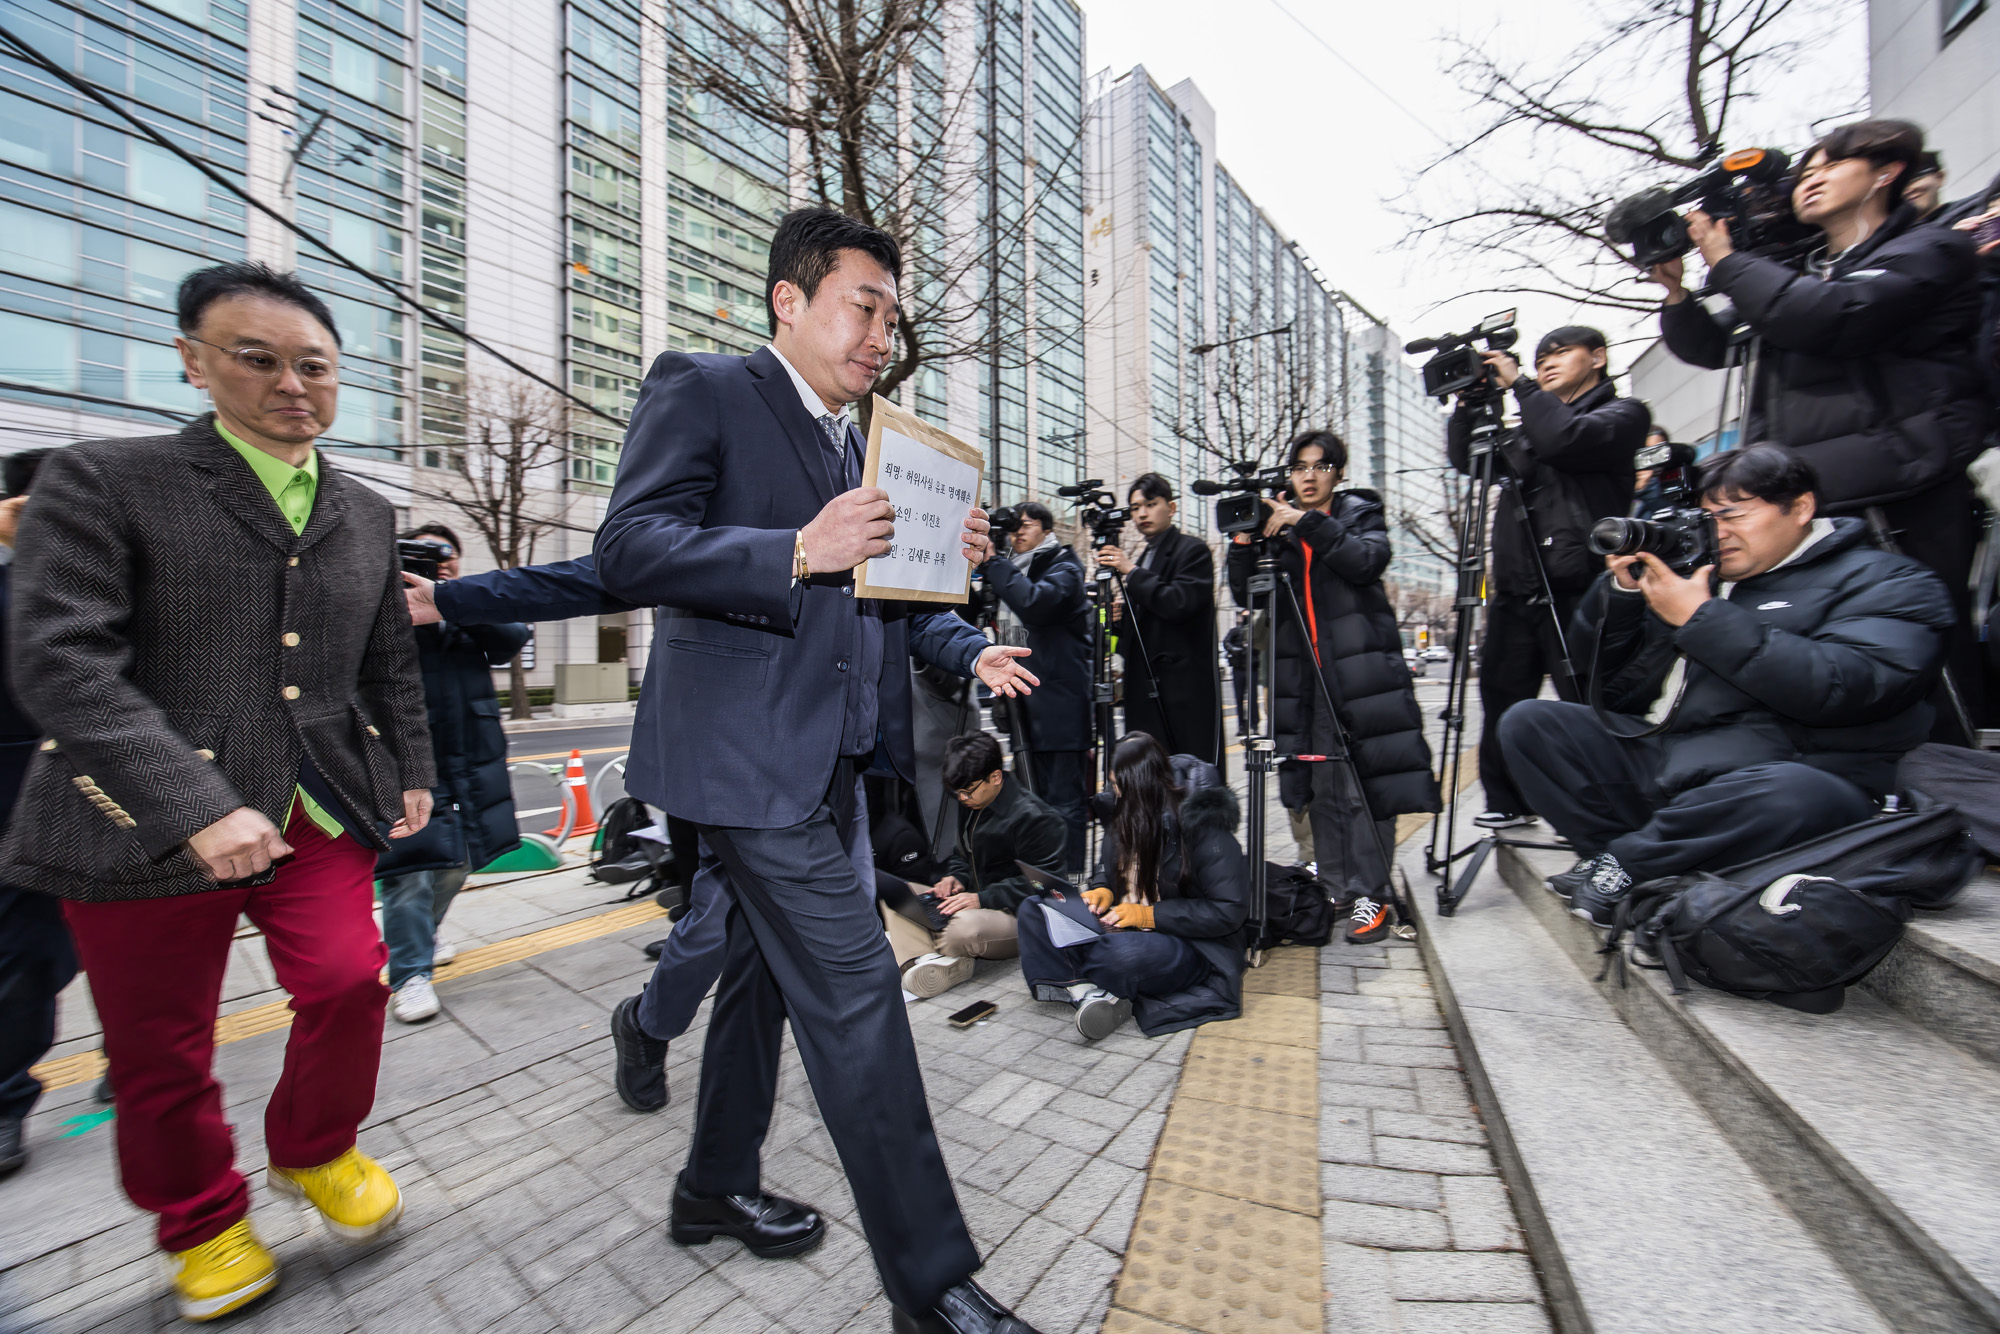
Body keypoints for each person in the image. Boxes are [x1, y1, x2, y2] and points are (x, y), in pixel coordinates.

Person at [592, 207, 1043, 1334]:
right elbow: (628, 547)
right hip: (743, 763)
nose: (883, 335)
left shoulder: (860, 442)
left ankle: (711, 1185)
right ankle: (929, 1287)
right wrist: (796, 548)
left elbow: (883, 600)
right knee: (856, 995)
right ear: (788, 300)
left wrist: (956, 613)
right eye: (864, 307)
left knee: (757, 985)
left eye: (893, 315)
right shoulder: (702, 388)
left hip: (831, 766)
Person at [0, 263, 434, 1322]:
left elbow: (387, 661)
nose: (292, 383)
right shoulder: (104, 480)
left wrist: (413, 769)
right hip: (133, 818)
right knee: (159, 1046)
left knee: (348, 981)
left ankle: (314, 1148)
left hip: (316, 801)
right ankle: (200, 1220)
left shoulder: (366, 510)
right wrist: (192, 802)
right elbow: (62, 662)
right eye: (258, 358)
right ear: (194, 362)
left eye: (314, 366)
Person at [1502, 445, 1954, 929]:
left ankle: (1629, 865)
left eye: (1733, 515)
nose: (1717, 532)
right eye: (1707, 518)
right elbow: (1611, 695)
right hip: (1677, 773)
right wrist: (1624, 599)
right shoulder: (1701, 577)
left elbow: (1849, 688)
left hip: (1791, 785)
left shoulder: (1890, 580)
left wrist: (1703, 618)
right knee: (1532, 723)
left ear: (1801, 507)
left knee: (1797, 793)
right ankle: (1633, 862)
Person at [1650, 118, 1991, 734]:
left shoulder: (1928, 248)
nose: (1812, 180)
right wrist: (1676, 293)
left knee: (1924, 657)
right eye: (1806, 172)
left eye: (1831, 166)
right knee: (1820, 652)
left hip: (1902, 489)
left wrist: (1726, 260)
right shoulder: (1801, 275)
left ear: (1886, 173)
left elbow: (1833, 316)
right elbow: (1716, 345)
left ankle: (1960, 775)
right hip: (1811, 496)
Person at [1228, 430, 1440, 942]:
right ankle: (1340, 887)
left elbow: (1365, 561)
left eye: (1320, 467)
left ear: (1338, 474)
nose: (1308, 476)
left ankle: (1373, 894)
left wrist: (1303, 522)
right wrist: (1244, 541)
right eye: (1299, 467)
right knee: (1320, 786)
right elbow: (1246, 593)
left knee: (1361, 787)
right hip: (1303, 683)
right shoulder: (1277, 525)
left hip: (1359, 676)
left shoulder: (1359, 511)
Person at [1447, 325, 1647, 828]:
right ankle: (1509, 802)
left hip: (1582, 585)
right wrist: (1471, 404)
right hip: (1517, 589)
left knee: (1586, 700)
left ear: (1597, 357)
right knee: (1500, 698)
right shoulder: (1530, 427)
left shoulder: (1623, 414)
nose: (1546, 364)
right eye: (1539, 360)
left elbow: (1565, 439)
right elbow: (1471, 460)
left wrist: (1521, 386)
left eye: (1560, 353)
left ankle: (1605, 808)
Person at [374, 522, 529, 1024]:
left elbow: (511, 639)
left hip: (469, 756)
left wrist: (452, 599)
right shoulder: (381, 605)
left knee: (458, 862)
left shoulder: (467, 602)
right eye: (423, 555)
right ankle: (410, 975)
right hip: (405, 760)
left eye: (445, 555)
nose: (437, 562)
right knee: (410, 871)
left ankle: (424, 933)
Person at [1015, 732, 1246, 1041]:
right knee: (1036, 908)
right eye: (1113, 784)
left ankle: (1081, 977)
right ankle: (1087, 990)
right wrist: (1102, 890)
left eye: (1119, 785)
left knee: (1120, 955)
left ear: (1142, 784)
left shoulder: (1202, 827)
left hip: (1186, 944)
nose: (1116, 792)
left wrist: (1149, 916)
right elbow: (1106, 872)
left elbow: (1228, 911)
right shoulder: (1124, 815)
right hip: (1122, 928)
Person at [0, 449, 74, 1181]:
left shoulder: (123, 585)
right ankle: (6, 1099)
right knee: (24, 956)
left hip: (133, 803)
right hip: (16, 803)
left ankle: (136, 1057)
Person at [885, 732, 1066, 998]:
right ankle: (926, 961)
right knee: (900, 895)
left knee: (963, 929)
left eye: (967, 791)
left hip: (1020, 916)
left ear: (995, 777)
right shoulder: (973, 801)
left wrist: (981, 899)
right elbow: (962, 855)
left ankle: (932, 953)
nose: (961, 798)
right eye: (957, 792)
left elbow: (1045, 884)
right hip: (976, 903)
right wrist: (956, 878)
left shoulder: (1036, 818)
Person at [972, 502, 1091, 871]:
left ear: (1047, 528)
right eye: (1013, 528)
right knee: (1031, 800)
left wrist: (993, 563)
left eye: (1026, 525)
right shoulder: (1012, 569)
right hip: (1023, 706)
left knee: (1065, 801)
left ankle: (1072, 880)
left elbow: (1035, 603)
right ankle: (1041, 878)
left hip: (1059, 710)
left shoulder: (1065, 567)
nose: (1017, 533)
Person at [1097, 473, 1223, 770]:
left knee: (1188, 775)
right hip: (1145, 690)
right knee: (1150, 777)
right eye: (1135, 508)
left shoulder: (1192, 550)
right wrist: (1118, 619)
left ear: (1172, 507)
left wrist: (1131, 571)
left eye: (1150, 504)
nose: (1142, 514)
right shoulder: (1144, 556)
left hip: (1182, 693)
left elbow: (1179, 603)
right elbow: (1145, 621)